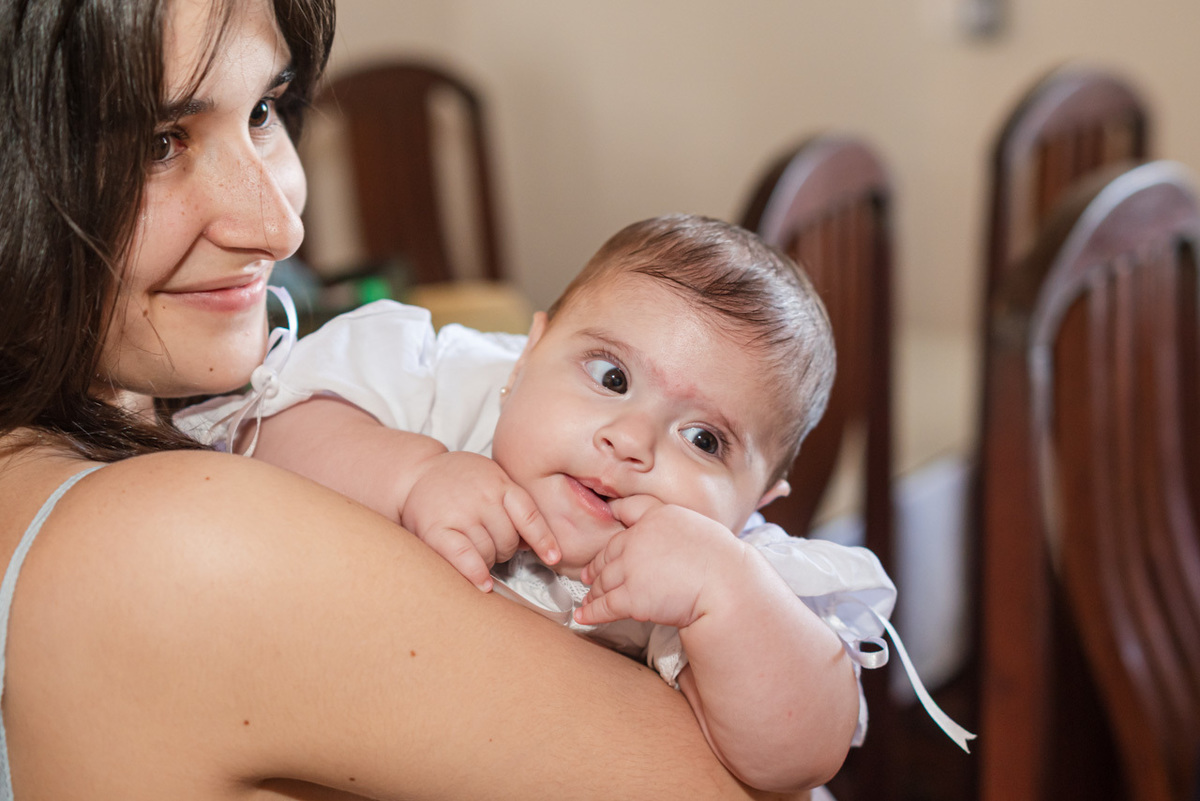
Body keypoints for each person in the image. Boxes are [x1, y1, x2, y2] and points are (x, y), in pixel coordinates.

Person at [0, 0, 860, 798]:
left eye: (264, 111)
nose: (282, 226)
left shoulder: (128, 454)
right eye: (161, 142)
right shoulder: (175, 540)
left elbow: (800, 742)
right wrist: (417, 474)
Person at [179, 214, 898, 793]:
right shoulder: (446, 395)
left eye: (704, 439)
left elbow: (804, 754)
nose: (630, 440)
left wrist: (730, 594)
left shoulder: (716, 571)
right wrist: (412, 476)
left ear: (756, 503)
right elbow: (265, 438)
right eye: (612, 376)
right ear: (528, 353)